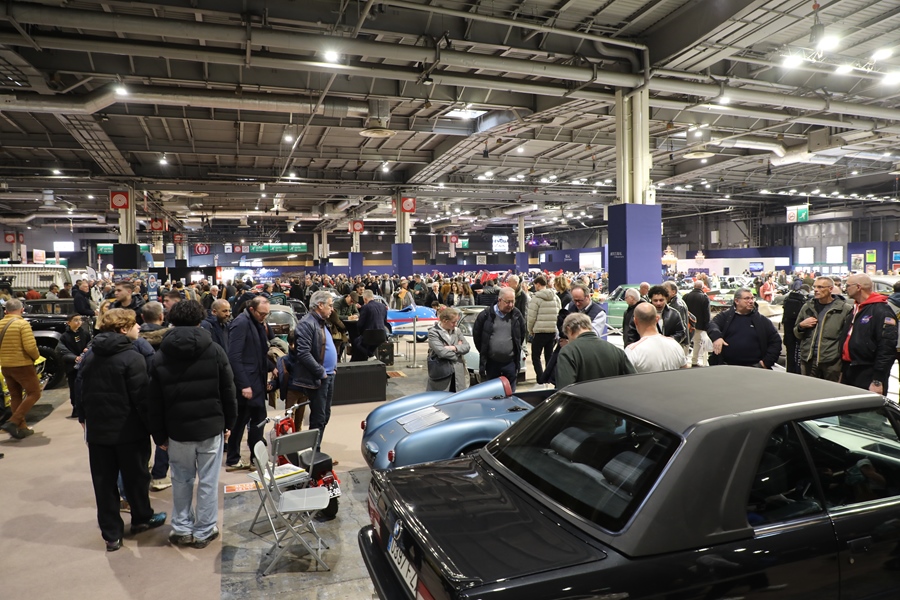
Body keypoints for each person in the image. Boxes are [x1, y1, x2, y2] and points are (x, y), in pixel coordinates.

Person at [75, 308, 166, 552]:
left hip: (98, 433)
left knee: (103, 484)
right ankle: (142, 518)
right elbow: (142, 399)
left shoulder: (90, 354)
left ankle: (112, 535)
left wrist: (83, 416)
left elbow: (80, 387)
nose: (139, 327)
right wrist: (156, 431)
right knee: (137, 478)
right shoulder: (132, 357)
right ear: (123, 329)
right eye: (135, 324)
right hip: (129, 432)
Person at [148, 300, 236, 549]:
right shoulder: (215, 350)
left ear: (172, 320)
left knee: (181, 480)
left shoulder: (161, 354)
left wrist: (159, 435)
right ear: (200, 320)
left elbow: (153, 399)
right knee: (208, 481)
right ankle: (205, 530)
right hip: (210, 427)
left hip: (177, 430)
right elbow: (228, 390)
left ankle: (181, 528)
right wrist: (230, 423)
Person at [225, 296, 274, 471]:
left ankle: (256, 458)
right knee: (241, 422)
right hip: (247, 383)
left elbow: (258, 352)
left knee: (258, 420)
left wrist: (272, 367)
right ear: (252, 309)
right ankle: (234, 459)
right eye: (262, 314)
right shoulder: (241, 323)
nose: (264, 317)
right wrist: (244, 384)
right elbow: (234, 357)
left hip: (257, 380)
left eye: (267, 314)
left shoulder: (257, 322)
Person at [291, 291, 337, 452]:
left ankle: (314, 450)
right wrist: (320, 372)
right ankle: (312, 454)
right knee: (318, 418)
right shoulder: (307, 323)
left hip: (328, 375)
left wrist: (333, 369)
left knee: (325, 415)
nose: (332, 309)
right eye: (330, 305)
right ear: (320, 305)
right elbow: (303, 353)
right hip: (319, 378)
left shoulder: (321, 322)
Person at [841, 273, 898, 395]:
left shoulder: (881, 310)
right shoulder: (856, 308)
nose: (845, 288)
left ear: (858, 287)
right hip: (850, 369)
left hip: (868, 372)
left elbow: (887, 348)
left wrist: (878, 379)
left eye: (848, 285)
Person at [794, 276, 852, 381]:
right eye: (814, 287)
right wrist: (801, 326)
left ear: (830, 289)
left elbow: (847, 338)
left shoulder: (844, 309)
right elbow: (796, 333)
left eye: (820, 287)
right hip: (809, 360)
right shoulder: (807, 307)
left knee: (831, 390)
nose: (816, 290)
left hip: (831, 362)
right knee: (808, 389)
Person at [707, 288, 782, 369]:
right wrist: (717, 337)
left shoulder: (762, 321)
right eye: (747, 298)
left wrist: (766, 363)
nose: (751, 301)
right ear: (737, 301)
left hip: (755, 368)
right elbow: (712, 324)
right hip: (727, 367)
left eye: (752, 298)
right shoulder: (726, 317)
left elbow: (776, 341)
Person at [556, 312, 635, 388]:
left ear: (569, 329)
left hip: (583, 397)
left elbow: (565, 388)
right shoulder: (616, 351)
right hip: (611, 397)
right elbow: (634, 381)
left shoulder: (568, 351)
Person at [0, 298, 42, 439]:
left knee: (15, 395)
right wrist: (36, 357)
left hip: (6, 366)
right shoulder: (22, 324)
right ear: (22, 309)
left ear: (6, 310)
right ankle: (13, 421)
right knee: (34, 393)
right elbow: (30, 347)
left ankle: (22, 427)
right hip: (22, 365)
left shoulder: (0, 324)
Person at [472, 287, 526, 392]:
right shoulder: (486, 315)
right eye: (508, 302)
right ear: (499, 300)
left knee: (510, 394)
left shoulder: (517, 315)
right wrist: (486, 352)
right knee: (492, 393)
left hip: (510, 363)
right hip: (492, 363)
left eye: (513, 302)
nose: (511, 305)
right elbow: (477, 337)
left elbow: (521, 335)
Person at [625, 303, 687, 373]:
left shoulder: (632, 351)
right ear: (657, 319)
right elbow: (685, 372)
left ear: (635, 321)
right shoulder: (675, 345)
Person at [426, 308, 470, 392]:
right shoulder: (433, 332)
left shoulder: (457, 331)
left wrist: (453, 348)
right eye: (453, 322)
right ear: (444, 321)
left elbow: (467, 347)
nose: (455, 324)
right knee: (441, 397)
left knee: (457, 397)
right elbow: (442, 352)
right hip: (441, 374)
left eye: (456, 322)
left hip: (457, 374)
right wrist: (458, 353)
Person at [526, 275, 560, 384]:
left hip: (540, 332)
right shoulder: (556, 297)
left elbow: (531, 317)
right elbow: (560, 313)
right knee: (549, 356)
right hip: (552, 331)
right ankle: (549, 377)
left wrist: (530, 329)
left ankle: (541, 378)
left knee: (535, 356)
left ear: (538, 284)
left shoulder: (536, 298)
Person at [58, 313, 91, 419]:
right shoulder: (64, 336)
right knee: (74, 388)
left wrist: (87, 349)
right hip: (72, 367)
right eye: (76, 320)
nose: (79, 322)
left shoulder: (85, 334)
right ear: (69, 322)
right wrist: (74, 358)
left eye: (80, 320)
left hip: (84, 365)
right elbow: (61, 350)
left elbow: (90, 343)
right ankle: (76, 408)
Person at [351, 290, 390, 362]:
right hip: (382, 335)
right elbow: (385, 321)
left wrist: (360, 333)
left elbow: (360, 324)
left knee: (356, 342)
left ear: (365, 299)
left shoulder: (365, 307)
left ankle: (370, 355)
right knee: (371, 345)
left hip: (369, 335)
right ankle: (370, 356)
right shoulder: (383, 306)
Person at [780, 280, 807, 374]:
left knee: (790, 355)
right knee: (797, 356)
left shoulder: (788, 299)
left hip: (788, 332)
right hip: (798, 334)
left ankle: (790, 372)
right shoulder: (805, 301)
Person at [683, 280, 711, 367]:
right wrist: (707, 326)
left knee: (686, 342)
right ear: (702, 287)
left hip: (687, 324)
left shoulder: (686, 296)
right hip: (699, 325)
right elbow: (706, 313)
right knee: (697, 343)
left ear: (694, 286)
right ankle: (694, 361)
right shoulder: (704, 298)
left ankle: (684, 361)